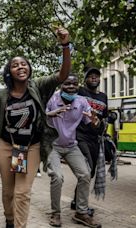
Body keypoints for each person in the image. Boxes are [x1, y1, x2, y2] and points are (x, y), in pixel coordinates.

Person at [0, 27, 71, 228]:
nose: (20, 67)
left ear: (29, 69)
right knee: (8, 192)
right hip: (6, 146)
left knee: (22, 193)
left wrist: (65, 45)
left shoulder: (38, 86)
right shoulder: (2, 97)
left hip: (31, 148)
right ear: (9, 72)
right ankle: (10, 220)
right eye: (15, 65)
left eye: (24, 64)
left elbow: (62, 76)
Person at [46, 74, 101, 228]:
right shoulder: (52, 99)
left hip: (71, 145)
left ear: (78, 86)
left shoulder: (82, 102)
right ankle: (55, 213)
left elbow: (92, 122)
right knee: (57, 177)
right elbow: (39, 117)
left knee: (85, 174)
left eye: (74, 84)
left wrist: (96, 122)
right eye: (67, 83)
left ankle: (81, 213)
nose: (71, 86)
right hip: (52, 146)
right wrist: (49, 114)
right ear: (61, 85)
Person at [71, 67, 108, 214]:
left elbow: (104, 115)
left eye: (96, 76)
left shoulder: (103, 97)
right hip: (81, 135)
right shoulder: (80, 91)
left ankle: (76, 201)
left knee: (89, 173)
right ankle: (82, 207)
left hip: (95, 138)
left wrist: (109, 119)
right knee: (86, 170)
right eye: (90, 76)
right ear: (85, 79)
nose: (94, 78)